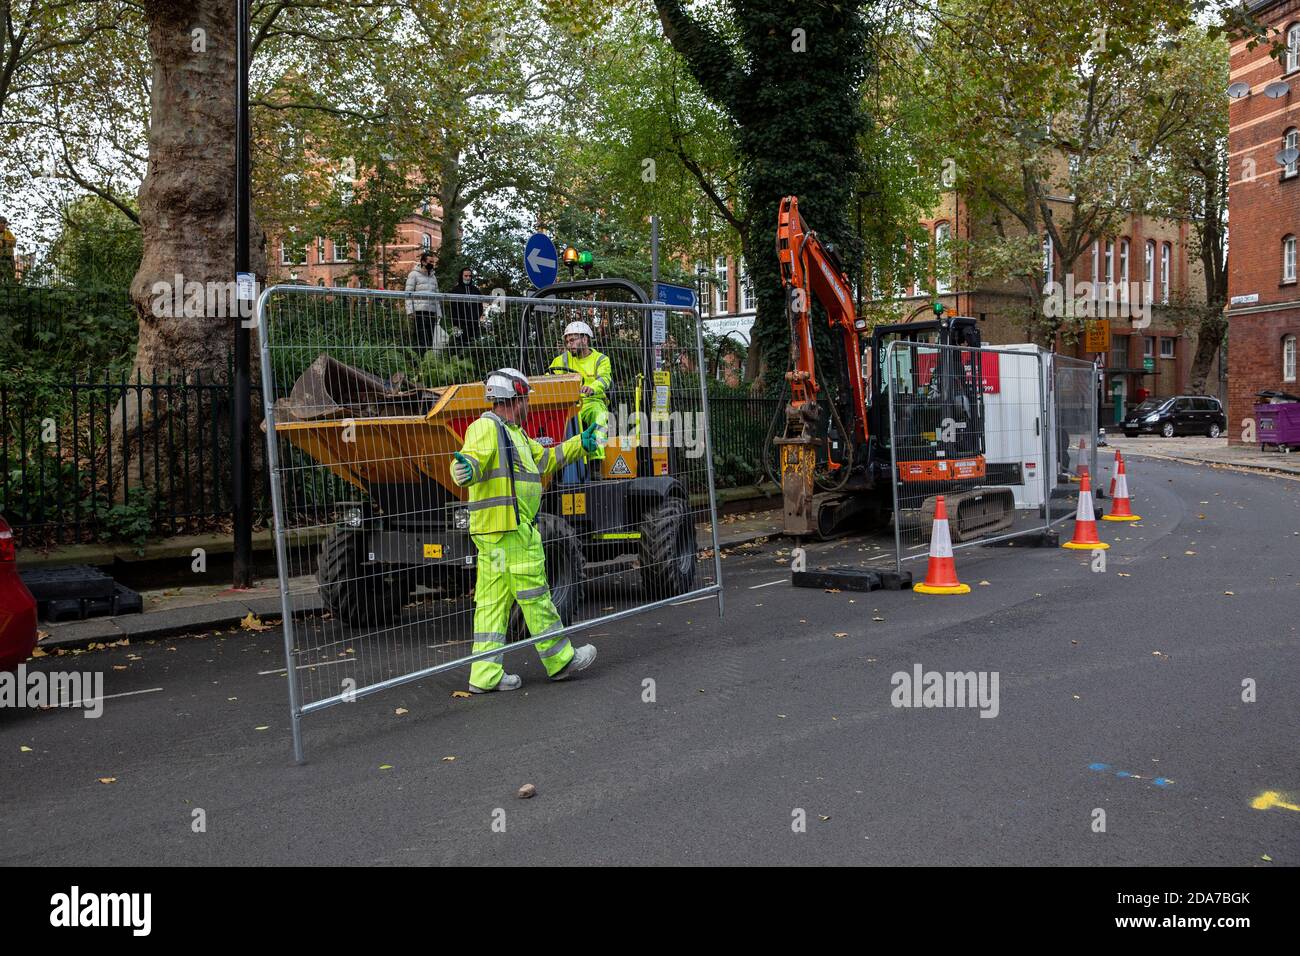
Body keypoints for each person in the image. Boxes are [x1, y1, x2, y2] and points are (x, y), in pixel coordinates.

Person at [450, 368, 606, 693]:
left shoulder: (515, 434)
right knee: (536, 597)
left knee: (491, 606)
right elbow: (468, 462)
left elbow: (546, 458)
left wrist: (580, 443)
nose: (528, 404)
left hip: (496, 534)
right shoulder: (487, 428)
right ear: (514, 398)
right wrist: (463, 469)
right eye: (525, 398)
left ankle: (485, 675)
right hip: (511, 532)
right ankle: (561, 660)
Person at [547, 321, 612, 464]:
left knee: (599, 416)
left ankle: (596, 460)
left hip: (591, 402)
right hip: (567, 404)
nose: (569, 345)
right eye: (567, 342)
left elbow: (605, 379)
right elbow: (548, 378)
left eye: (572, 340)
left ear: (585, 339)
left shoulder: (600, 359)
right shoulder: (561, 360)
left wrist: (592, 387)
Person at [404, 252, 444, 352]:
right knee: (420, 338)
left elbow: (437, 296)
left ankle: (428, 361)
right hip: (419, 311)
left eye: (433, 262)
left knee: (430, 339)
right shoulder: (413, 275)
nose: (432, 264)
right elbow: (408, 293)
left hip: (432, 312)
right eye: (430, 262)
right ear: (423, 262)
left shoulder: (433, 277)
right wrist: (410, 311)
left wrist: (439, 313)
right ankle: (418, 362)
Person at [448, 267, 487, 345]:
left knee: (474, 345)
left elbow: (480, 306)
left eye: (470, 276)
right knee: (460, 344)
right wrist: (455, 323)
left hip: (474, 324)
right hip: (459, 324)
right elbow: (452, 308)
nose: (468, 278)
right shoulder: (455, 290)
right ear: (461, 276)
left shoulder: (476, 290)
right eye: (466, 276)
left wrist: (477, 317)